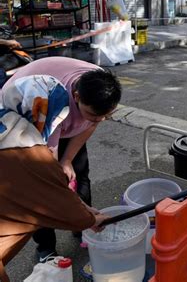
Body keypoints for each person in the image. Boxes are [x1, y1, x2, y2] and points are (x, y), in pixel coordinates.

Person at [1, 56, 122, 262]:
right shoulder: (47, 111)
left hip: (47, 125)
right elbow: (49, 180)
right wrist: (83, 213)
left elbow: (90, 124)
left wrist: (67, 161)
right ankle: (46, 248)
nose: (100, 120)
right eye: (93, 114)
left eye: (107, 116)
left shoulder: (99, 87)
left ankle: (81, 226)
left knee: (78, 172)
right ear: (75, 96)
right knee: (43, 196)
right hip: (27, 127)